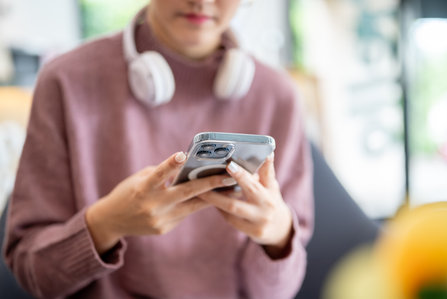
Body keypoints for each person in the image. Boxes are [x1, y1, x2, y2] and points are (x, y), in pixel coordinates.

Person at [3, 0, 314, 298]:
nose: (202, 1)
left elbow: (279, 291)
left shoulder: (277, 96)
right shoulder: (66, 82)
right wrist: (107, 223)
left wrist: (277, 238)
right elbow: (35, 275)